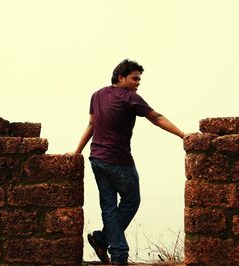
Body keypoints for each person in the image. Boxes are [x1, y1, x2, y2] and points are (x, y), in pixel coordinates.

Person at [70, 59, 185, 265]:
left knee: (108, 206)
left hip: (97, 158)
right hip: (118, 161)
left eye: (139, 79)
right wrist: (183, 135)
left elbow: (91, 125)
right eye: (134, 78)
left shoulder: (97, 95)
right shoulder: (130, 97)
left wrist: (77, 152)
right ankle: (116, 251)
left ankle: (108, 244)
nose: (138, 82)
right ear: (120, 77)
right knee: (131, 201)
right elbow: (156, 117)